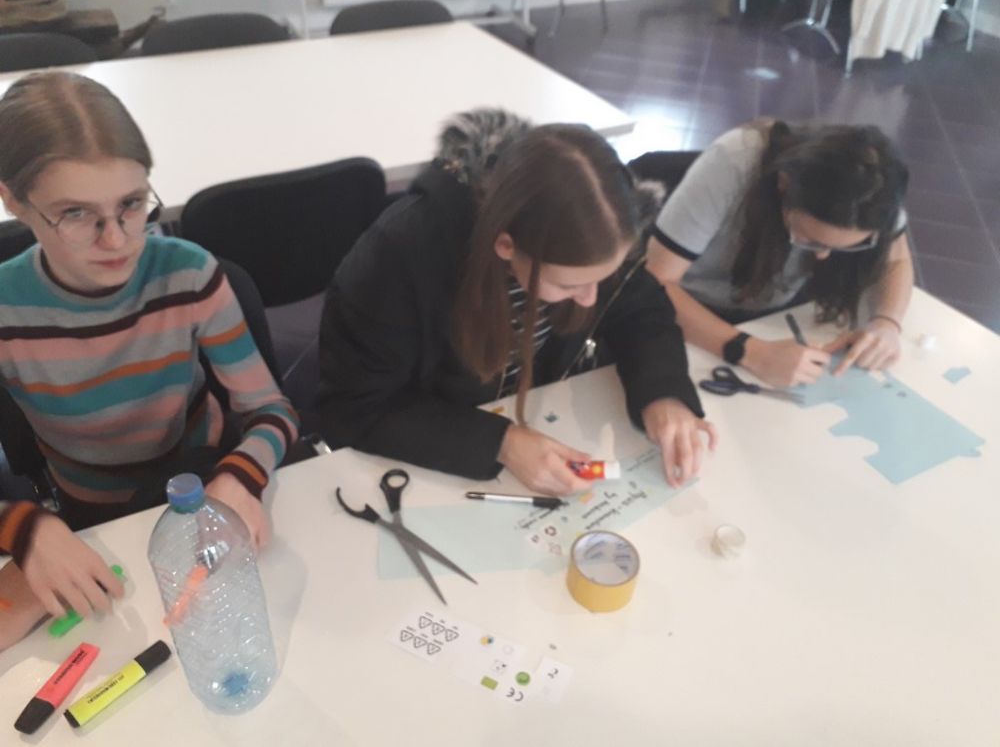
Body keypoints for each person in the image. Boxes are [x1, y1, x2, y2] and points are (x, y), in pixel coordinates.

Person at [0, 72, 298, 646]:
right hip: (94, 515)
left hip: (203, 477)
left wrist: (241, 475)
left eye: (132, 204)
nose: (118, 241)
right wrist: (23, 527)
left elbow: (272, 409)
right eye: (76, 213)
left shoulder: (188, 274)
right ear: (13, 200)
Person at [317, 110, 716, 497]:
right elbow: (354, 409)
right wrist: (502, 443)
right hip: (437, 454)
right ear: (506, 246)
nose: (591, 298)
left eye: (602, 278)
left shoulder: (598, 230)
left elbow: (641, 309)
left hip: (534, 416)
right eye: (569, 284)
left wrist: (663, 392)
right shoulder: (399, 258)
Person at [644, 119, 912, 388]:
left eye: (849, 246)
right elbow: (656, 282)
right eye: (811, 240)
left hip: (776, 310)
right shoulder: (735, 161)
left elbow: (897, 259)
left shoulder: (876, 193)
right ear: (784, 184)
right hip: (692, 306)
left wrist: (887, 323)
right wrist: (750, 352)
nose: (822, 256)